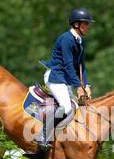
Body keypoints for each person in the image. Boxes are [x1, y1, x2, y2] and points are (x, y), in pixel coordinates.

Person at [34, 8, 94, 148]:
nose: (88, 26)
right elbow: (68, 66)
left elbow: (81, 66)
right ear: (76, 24)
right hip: (55, 77)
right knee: (66, 108)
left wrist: (87, 85)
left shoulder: (79, 41)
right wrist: (78, 87)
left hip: (64, 79)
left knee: (76, 109)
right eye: (86, 23)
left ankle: (60, 138)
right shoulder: (66, 39)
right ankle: (42, 135)